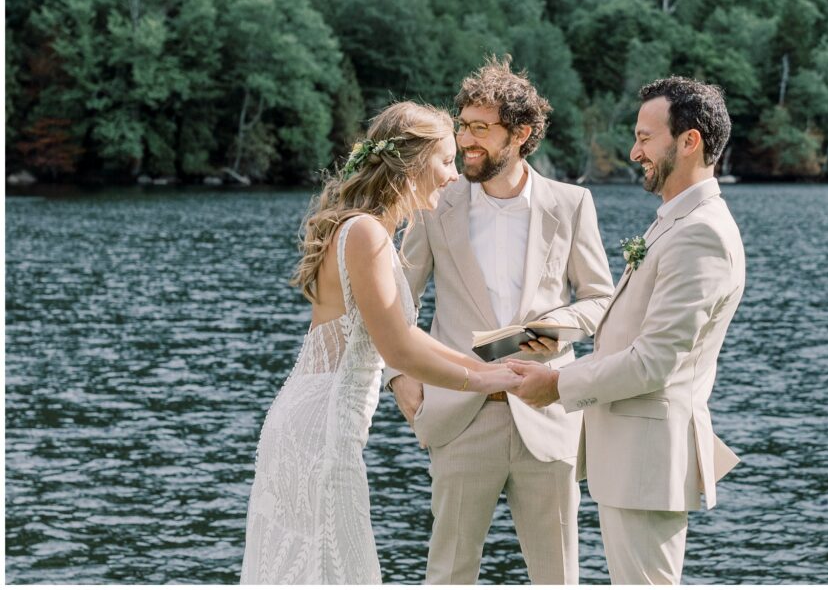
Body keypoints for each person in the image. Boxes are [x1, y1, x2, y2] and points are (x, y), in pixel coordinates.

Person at [240, 102, 522, 584]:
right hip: (322, 430)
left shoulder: (363, 230)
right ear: (412, 164)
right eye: (446, 160)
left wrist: (493, 367)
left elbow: (407, 336)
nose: (455, 175)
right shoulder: (366, 233)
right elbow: (399, 351)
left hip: (313, 421)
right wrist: (485, 380)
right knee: (337, 569)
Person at [384, 56, 613, 584]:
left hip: (547, 413)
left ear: (521, 133)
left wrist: (526, 340)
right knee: (448, 573)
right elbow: (396, 298)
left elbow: (600, 300)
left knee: (558, 577)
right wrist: (398, 377)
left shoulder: (572, 203)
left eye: (481, 129)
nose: (466, 140)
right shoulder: (433, 203)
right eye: (463, 126)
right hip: (461, 414)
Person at [510, 76, 745, 584]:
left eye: (645, 136)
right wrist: (561, 343)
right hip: (633, 461)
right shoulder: (676, 222)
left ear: (689, 141)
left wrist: (557, 385)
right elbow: (634, 335)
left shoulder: (700, 233)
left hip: (649, 463)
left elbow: (656, 362)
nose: (634, 151)